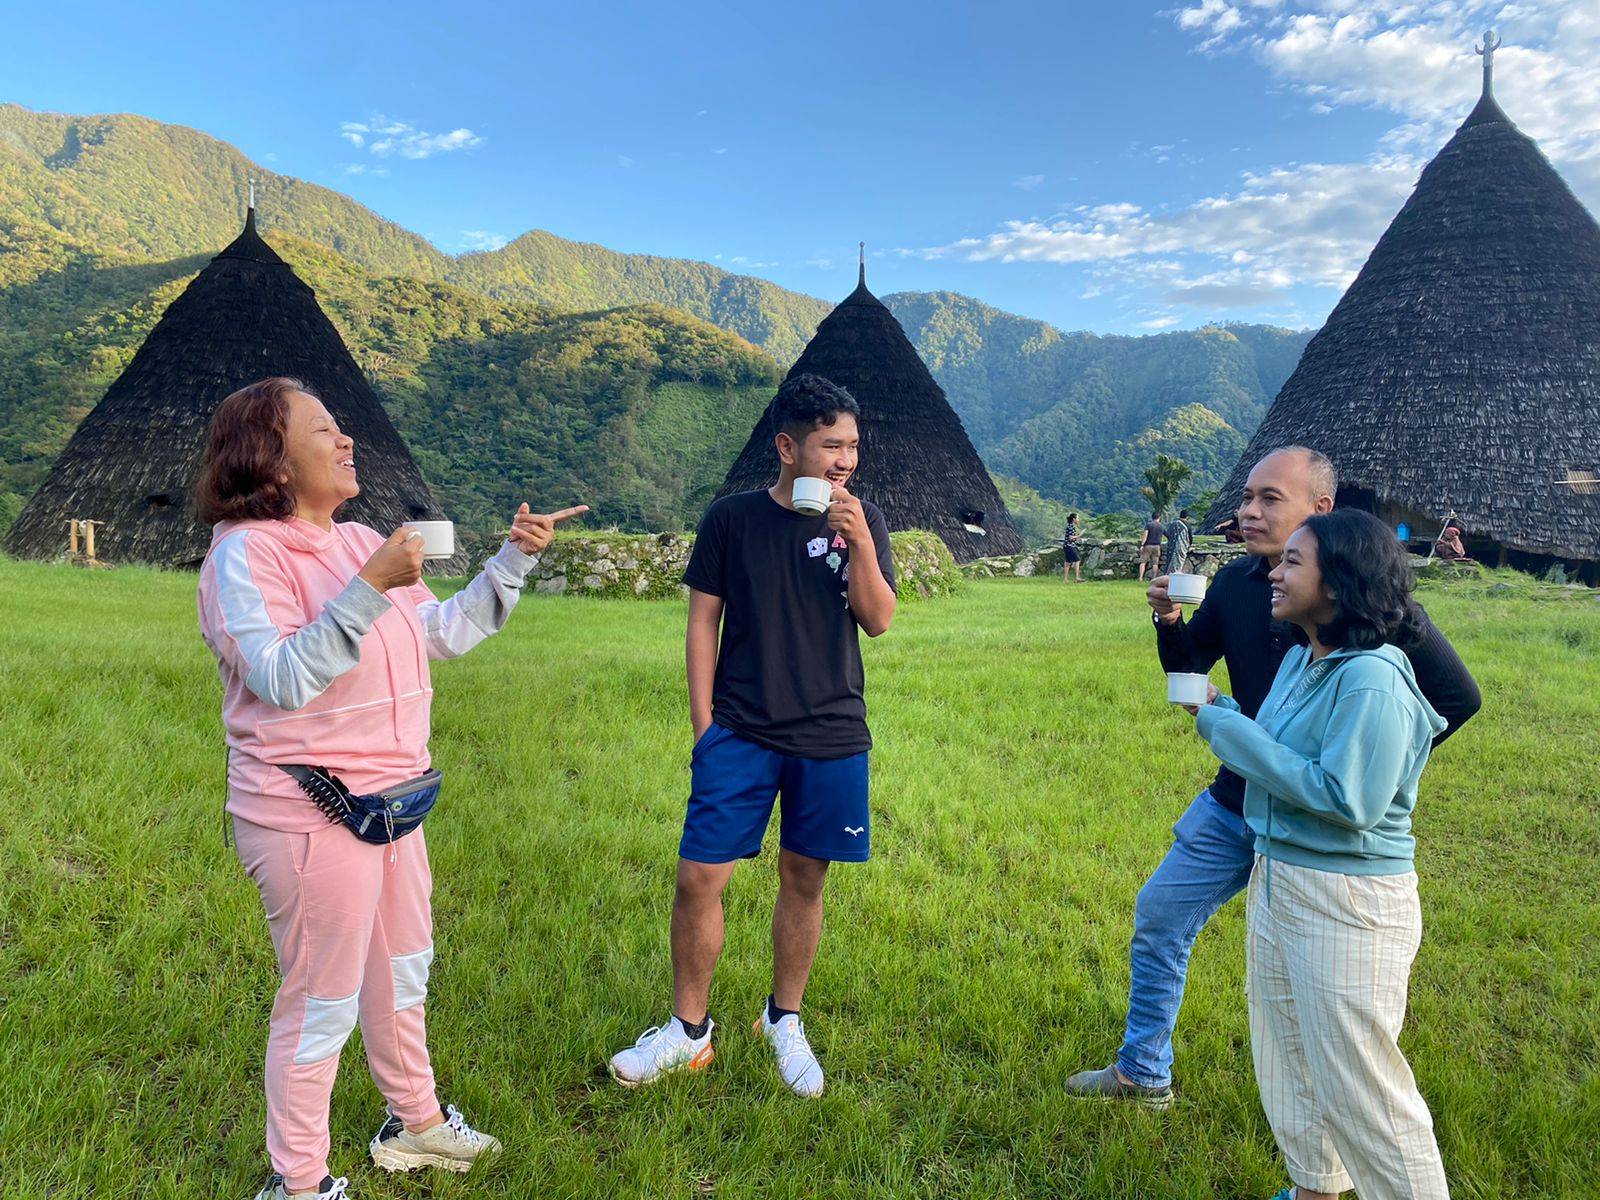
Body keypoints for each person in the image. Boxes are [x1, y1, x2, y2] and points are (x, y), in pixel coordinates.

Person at [196, 377, 587, 1200]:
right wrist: (370, 583)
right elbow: (282, 677)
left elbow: (437, 633)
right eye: (323, 430)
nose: (346, 440)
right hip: (310, 811)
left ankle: (415, 1124)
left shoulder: (360, 540)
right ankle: (298, 1182)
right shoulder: (244, 555)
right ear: (271, 458)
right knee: (321, 1001)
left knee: (405, 969)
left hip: (398, 804)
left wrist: (513, 559)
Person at [1065, 446, 1479, 1110]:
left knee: (1321, 992)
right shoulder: (1236, 584)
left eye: (1269, 498)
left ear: (1320, 509)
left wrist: (1370, 769)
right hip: (1237, 800)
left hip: (1317, 828)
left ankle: (1338, 1116)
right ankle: (1142, 1071)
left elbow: (1457, 699)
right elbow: (1190, 667)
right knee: (1162, 913)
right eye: (1246, 497)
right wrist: (1168, 620)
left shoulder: (1371, 604)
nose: (1248, 511)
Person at [608, 373, 896, 1098]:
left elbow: (879, 620)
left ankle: (783, 1019)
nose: (845, 460)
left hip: (831, 730)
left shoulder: (863, 520)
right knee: (697, 878)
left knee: (805, 877)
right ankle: (689, 1032)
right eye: (831, 445)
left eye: (853, 446)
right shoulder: (731, 519)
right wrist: (704, 727)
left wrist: (860, 544)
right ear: (787, 447)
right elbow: (702, 621)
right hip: (739, 730)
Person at [1192, 508, 1451, 1200]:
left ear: (1336, 584)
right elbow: (1280, 750)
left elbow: (1347, 797)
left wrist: (1223, 730)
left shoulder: (1374, 677)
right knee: (1290, 1058)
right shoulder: (1302, 661)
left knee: (1365, 1093)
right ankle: (1315, 1192)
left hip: (1347, 901)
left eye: (1292, 563)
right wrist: (1225, 712)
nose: (1274, 573)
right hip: (1280, 876)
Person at [1163, 508, 1193, 576]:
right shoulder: (1188, 525)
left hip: (1172, 546)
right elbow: (1190, 537)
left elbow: (1168, 534)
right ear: (1187, 517)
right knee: (1179, 563)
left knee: (1170, 562)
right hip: (1182, 547)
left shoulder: (1173, 524)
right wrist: (1189, 545)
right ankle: (1176, 575)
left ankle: (1168, 575)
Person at [1139, 511, 1164, 581]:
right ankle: (1154, 578)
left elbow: (1145, 535)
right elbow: (1167, 534)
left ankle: (1140, 577)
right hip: (1157, 546)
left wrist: (1142, 545)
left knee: (1143, 562)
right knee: (1155, 563)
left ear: (1152, 517)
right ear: (1159, 518)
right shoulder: (1161, 526)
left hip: (1148, 545)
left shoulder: (1148, 525)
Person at [1061, 512, 1082, 582]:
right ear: (1074, 519)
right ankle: (1077, 578)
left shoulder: (1070, 526)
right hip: (1070, 546)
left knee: (1068, 562)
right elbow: (1070, 538)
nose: (1078, 520)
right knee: (1077, 560)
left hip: (1066, 546)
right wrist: (1078, 536)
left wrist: (1075, 537)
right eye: (1077, 518)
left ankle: (1065, 579)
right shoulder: (1071, 527)